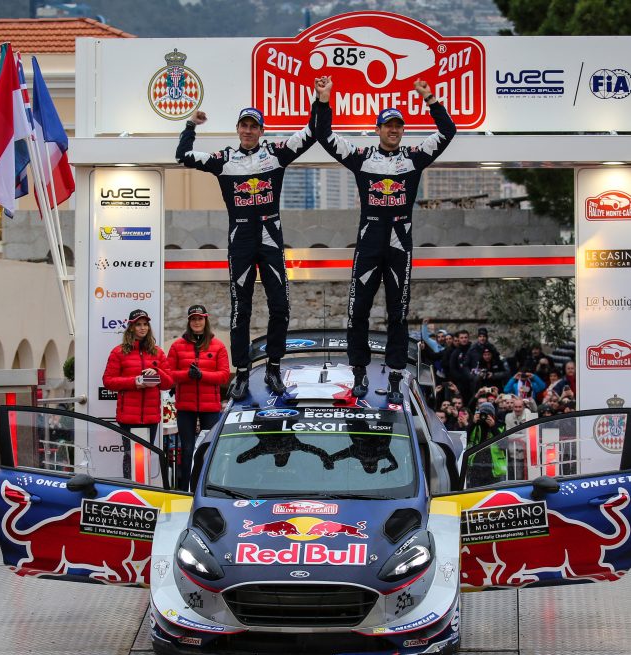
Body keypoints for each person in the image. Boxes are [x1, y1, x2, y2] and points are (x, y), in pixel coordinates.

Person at [314, 75, 456, 401]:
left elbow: (448, 131)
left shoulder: (414, 157)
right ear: (378, 129)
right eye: (388, 125)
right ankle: (359, 373)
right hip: (369, 242)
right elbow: (324, 135)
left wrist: (430, 99)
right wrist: (323, 100)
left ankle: (394, 377)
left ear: (403, 131)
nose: (393, 130)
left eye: (398, 126)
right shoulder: (363, 157)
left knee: (398, 313)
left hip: (399, 244)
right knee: (358, 310)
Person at [176, 104, 317, 400]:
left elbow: (310, 134)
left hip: (270, 239)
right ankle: (241, 372)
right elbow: (183, 155)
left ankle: (274, 367)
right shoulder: (225, 159)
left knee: (280, 306)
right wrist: (191, 124)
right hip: (240, 241)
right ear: (238, 129)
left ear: (262, 131)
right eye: (244, 126)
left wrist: (320, 101)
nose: (249, 131)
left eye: (254, 126)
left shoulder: (275, 154)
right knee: (241, 309)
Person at [102, 309, 173, 480]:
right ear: (131, 327)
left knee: (145, 457)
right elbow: (108, 381)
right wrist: (134, 382)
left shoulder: (157, 352)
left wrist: (156, 371)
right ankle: (130, 489)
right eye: (138, 324)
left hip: (151, 417)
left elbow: (169, 383)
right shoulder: (119, 352)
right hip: (128, 417)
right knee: (130, 456)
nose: (142, 328)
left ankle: (143, 489)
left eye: (145, 324)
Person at [168, 304, 230, 491]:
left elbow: (224, 376)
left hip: (209, 406)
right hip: (185, 406)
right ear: (189, 322)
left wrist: (202, 375)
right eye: (193, 319)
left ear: (205, 320)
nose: (197, 322)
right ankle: (185, 489)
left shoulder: (218, 346)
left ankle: (206, 488)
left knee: (208, 449)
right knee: (187, 450)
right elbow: (168, 374)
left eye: (200, 319)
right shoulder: (177, 346)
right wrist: (187, 375)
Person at [466, 401, 507, 487]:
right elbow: (465, 438)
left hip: (493, 468)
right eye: (483, 414)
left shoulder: (500, 426)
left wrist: (493, 426)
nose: (485, 416)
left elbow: (504, 445)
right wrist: (472, 423)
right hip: (476, 467)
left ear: (493, 415)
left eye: (488, 414)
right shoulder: (476, 425)